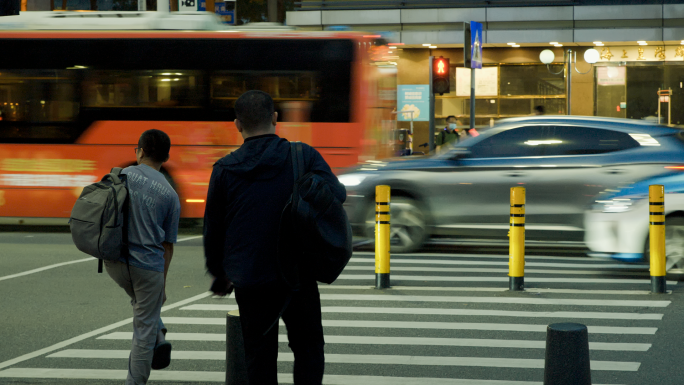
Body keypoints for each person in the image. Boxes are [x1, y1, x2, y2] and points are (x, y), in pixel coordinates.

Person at [203, 90, 345, 385]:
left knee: (259, 356)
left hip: (250, 279)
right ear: (275, 118)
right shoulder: (302, 155)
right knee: (308, 349)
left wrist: (220, 274)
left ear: (237, 124)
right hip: (297, 275)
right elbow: (337, 195)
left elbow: (214, 230)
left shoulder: (224, 170)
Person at [105, 129, 181, 385]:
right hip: (148, 268)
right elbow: (167, 246)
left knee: (141, 303)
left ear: (140, 151)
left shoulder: (121, 175)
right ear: (166, 157)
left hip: (115, 262)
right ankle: (137, 378)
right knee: (144, 330)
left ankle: (159, 331)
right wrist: (162, 285)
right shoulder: (170, 194)